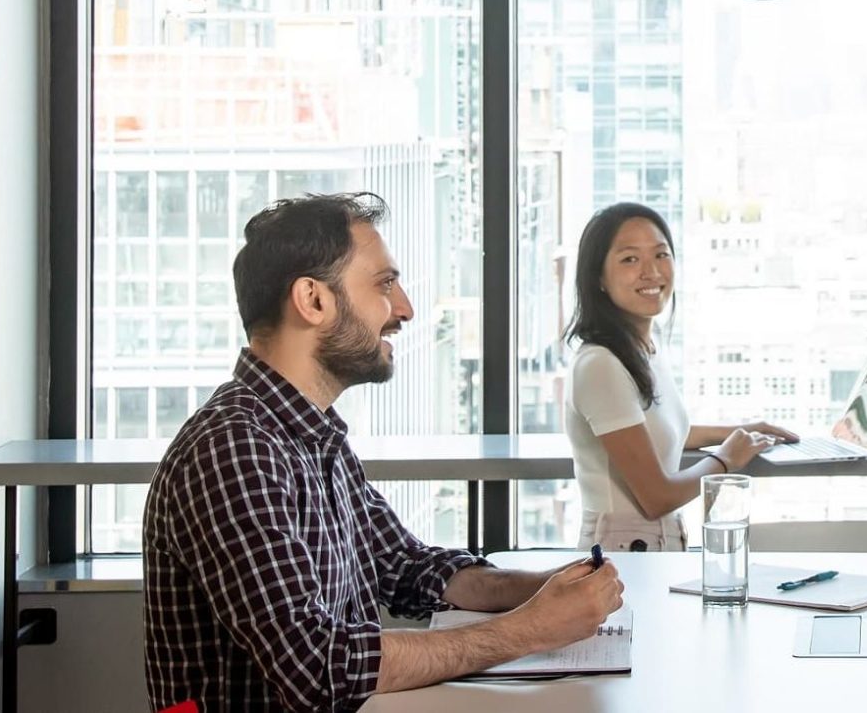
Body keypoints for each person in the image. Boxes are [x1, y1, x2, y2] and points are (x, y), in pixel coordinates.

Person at [144, 193, 624, 711]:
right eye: (384, 285)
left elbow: (404, 566)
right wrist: (529, 630)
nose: (404, 309)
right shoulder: (233, 450)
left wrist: (542, 589)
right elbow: (320, 670)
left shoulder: (311, 434)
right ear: (313, 300)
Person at [564, 202, 798, 551]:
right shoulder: (601, 364)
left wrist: (742, 432)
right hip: (622, 553)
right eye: (630, 259)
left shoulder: (642, 348)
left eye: (661, 255)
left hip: (652, 546)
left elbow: (659, 434)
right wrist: (725, 459)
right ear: (598, 276)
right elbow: (656, 497)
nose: (651, 272)